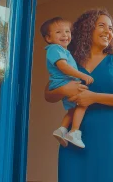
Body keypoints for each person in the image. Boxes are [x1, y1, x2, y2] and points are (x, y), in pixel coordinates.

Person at [44, 8, 113, 182]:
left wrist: (93, 97)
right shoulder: (69, 61)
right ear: (87, 29)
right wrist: (65, 90)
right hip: (75, 138)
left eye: (111, 28)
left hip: (111, 135)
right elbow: (48, 94)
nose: (108, 32)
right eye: (101, 26)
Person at [40, 17, 94, 149]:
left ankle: (62, 130)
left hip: (64, 83)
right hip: (64, 83)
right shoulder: (54, 49)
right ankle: (75, 131)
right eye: (59, 32)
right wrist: (81, 75)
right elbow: (63, 67)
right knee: (84, 102)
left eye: (67, 31)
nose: (65, 35)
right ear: (48, 38)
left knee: (72, 109)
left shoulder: (63, 51)